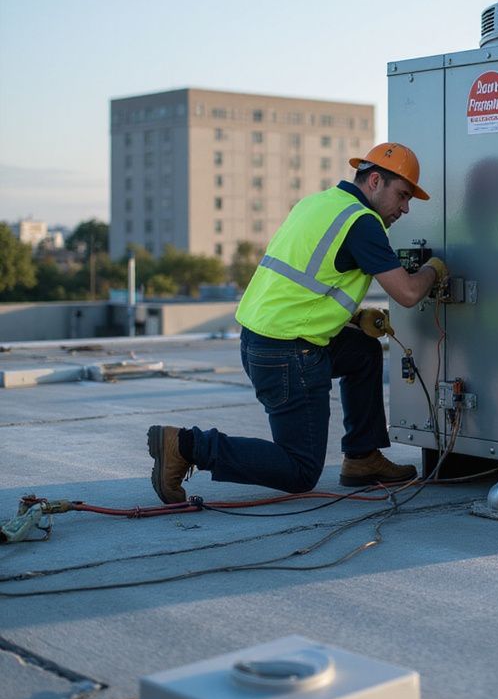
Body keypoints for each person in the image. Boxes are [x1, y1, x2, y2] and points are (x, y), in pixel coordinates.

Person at [147, 142, 447, 504]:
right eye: (402, 195)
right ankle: (185, 445)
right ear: (374, 181)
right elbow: (409, 293)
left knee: (364, 351)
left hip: (263, 340)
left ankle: (362, 456)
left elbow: (305, 279)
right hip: (288, 353)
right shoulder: (362, 223)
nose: (405, 208)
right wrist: (435, 269)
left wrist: (354, 316)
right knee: (300, 470)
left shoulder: (318, 203)